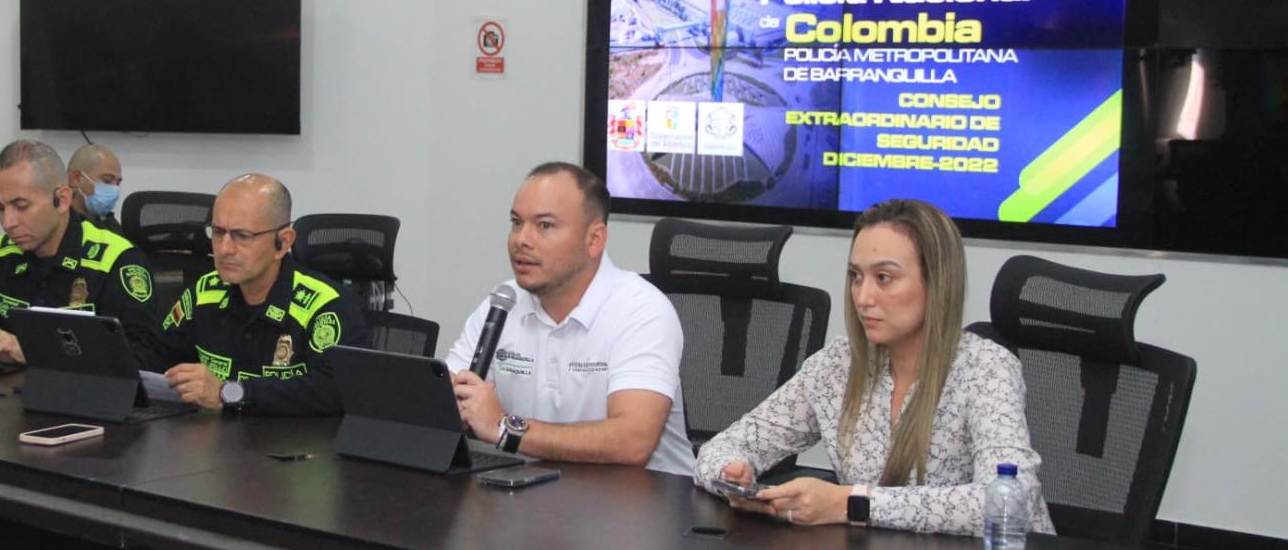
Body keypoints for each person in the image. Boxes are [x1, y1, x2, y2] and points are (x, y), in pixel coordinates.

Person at [693, 199, 1055, 536]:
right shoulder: (838, 365)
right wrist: (732, 475)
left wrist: (851, 502)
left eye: (884, 278)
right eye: (856, 276)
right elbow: (720, 448)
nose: (863, 297)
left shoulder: (985, 369)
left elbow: (1010, 500)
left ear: (937, 283)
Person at [446, 162, 694, 476]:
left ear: (594, 240)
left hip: (644, 507)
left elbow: (633, 442)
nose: (522, 240)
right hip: (537, 497)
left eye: (545, 225)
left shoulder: (641, 310)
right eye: (516, 222)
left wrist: (505, 428)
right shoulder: (502, 302)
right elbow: (445, 401)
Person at [136, 174, 367, 416]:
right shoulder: (205, 292)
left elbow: (337, 391)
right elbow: (154, 355)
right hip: (214, 445)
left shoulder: (326, 306)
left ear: (284, 242)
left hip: (292, 447)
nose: (225, 249)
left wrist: (232, 392)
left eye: (242, 236)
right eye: (217, 232)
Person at [0, 140, 159, 365]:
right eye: (0, 208)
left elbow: (141, 359)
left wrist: (36, 351)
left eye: (21, 206)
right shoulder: (0, 254)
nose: (8, 222)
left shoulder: (117, 261)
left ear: (62, 199)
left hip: (84, 405)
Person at [67, 143, 124, 235]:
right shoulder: (58, 226)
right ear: (76, 178)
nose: (114, 190)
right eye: (107, 180)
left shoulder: (111, 225)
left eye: (117, 183)